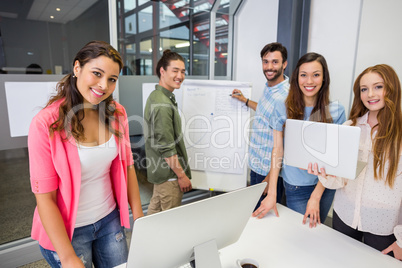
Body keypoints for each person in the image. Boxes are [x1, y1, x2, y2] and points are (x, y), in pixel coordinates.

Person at [28, 40, 144, 268]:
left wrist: (139, 218)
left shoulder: (116, 113)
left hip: (109, 219)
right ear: (77, 68)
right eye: (97, 73)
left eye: (112, 79)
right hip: (68, 231)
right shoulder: (46, 123)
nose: (103, 85)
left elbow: (127, 166)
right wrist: (68, 256)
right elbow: (45, 199)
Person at [309, 64, 402, 260]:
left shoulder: (399, 135)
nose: (370, 94)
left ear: (391, 88)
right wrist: (324, 172)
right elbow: (340, 179)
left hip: (384, 225)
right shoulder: (350, 127)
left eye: (378, 86)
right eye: (364, 89)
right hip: (345, 214)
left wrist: (401, 240)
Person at [253, 52, 346, 227]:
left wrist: (316, 196)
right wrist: (272, 193)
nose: (309, 81)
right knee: (303, 232)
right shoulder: (282, 106)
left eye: (316, 75)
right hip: (296, 186)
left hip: (324, 187)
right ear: (296, 78)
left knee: (315, 231)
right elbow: (277, 149)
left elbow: (335, 159)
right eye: (304, 75)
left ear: (324, 78)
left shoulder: (336, 110)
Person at [231, 42, 289, 209]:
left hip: (269, 171)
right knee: (254, 213)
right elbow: (266, 112)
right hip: (256, 165)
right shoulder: (270, 87)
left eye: (275, 62)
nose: (269, 67)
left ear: (284, 64)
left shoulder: (287, 96)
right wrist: (246, 101)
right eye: (265, 61)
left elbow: (287, 142)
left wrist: (271, 176)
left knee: (264, 217)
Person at [144, 50, 192, 215]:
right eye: (175, 70)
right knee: (169, 222)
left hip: (162, 174)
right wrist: (181, 175)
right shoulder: (162, 103)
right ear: (162, 71)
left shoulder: (157, 96)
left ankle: (144, 241)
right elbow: (166, 146)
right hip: (169, 176)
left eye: (183, 71)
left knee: (154, 215)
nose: (180, 75)